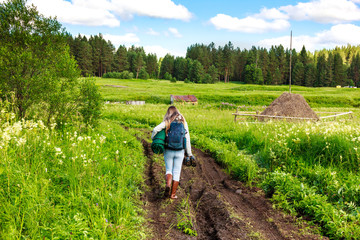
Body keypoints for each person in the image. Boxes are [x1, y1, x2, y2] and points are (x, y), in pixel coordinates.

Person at [151, 106, 194, 199]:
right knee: (177, 172)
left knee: (169, 170)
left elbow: (155, 129)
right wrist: (189, 153)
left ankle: (168, 185)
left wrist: (154, 139)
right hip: (180, 151)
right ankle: (173, 195)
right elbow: (187, 139)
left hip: (168, 150)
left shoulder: (167, 121)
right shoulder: (183, 122)